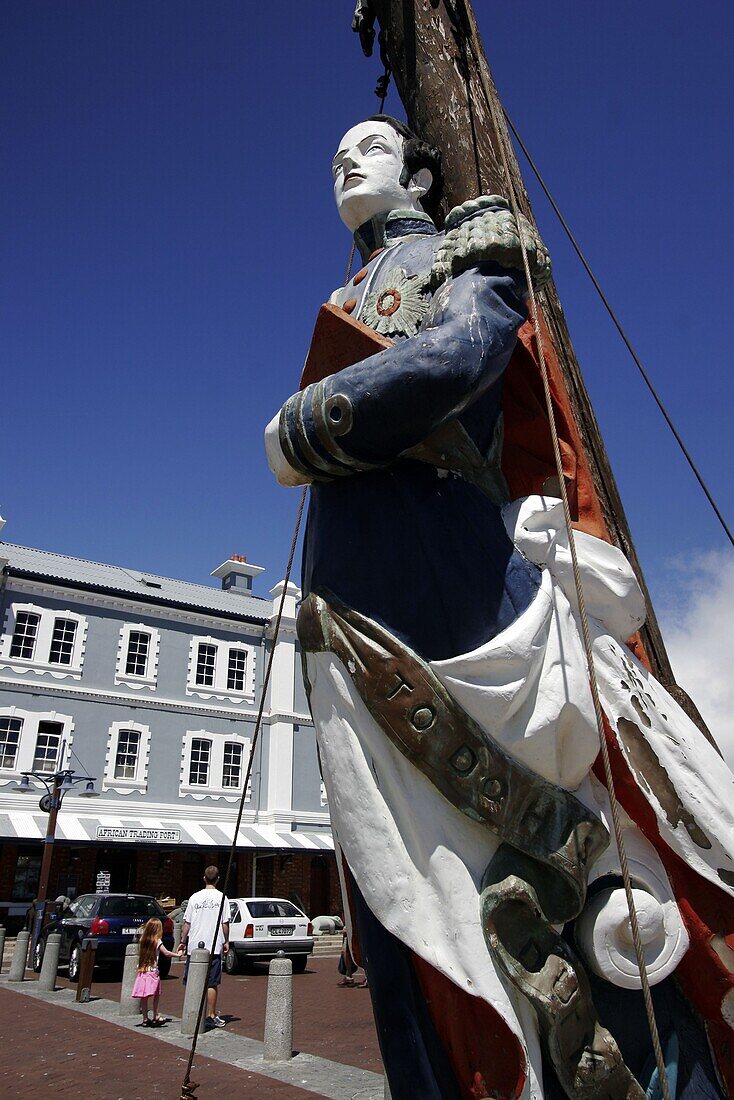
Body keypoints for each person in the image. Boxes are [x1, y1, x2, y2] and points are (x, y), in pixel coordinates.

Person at [265, 115, 734, 1099]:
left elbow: (467, 351)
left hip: (472, 613)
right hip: (357, 644)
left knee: (595, 913)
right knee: (405, 927)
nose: (346, 160)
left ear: (418, 169)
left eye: (372, 146)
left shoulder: (456, 247)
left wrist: (305, 424)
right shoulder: (342, 294)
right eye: (335, 152)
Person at [179, 865, 230, 1029]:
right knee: (212, 983)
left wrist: (183, 940)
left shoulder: (194, 897)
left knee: (193, 981)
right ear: (218, 879)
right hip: (213, 946)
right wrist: (226, 941)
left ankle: (191, 1012)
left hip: (194, 946)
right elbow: (225, 923)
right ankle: (210, 1014)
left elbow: (187, 923)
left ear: (204, 878)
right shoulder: (222, 898)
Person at [131, 918, 176, 1026]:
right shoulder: (157, 940)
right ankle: (156, 1015)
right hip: (153, 971)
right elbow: (166, 953)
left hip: (143, 970)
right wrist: (178, 955)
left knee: (144, 996)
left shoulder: (143, 939)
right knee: (156, 994)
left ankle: (145, 1019)